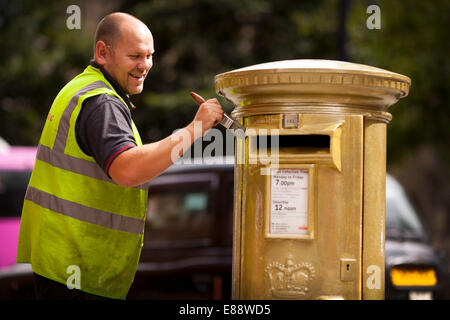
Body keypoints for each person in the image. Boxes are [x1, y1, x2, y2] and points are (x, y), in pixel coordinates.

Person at [16, 12, 224, 300]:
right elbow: (127, 170)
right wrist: (195, 128)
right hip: (80, 270)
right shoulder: (102, 103)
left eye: (150, 56)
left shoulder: (82, 89)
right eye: (135, 56)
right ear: (103, 52)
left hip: (65, 265)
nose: (145, 65)